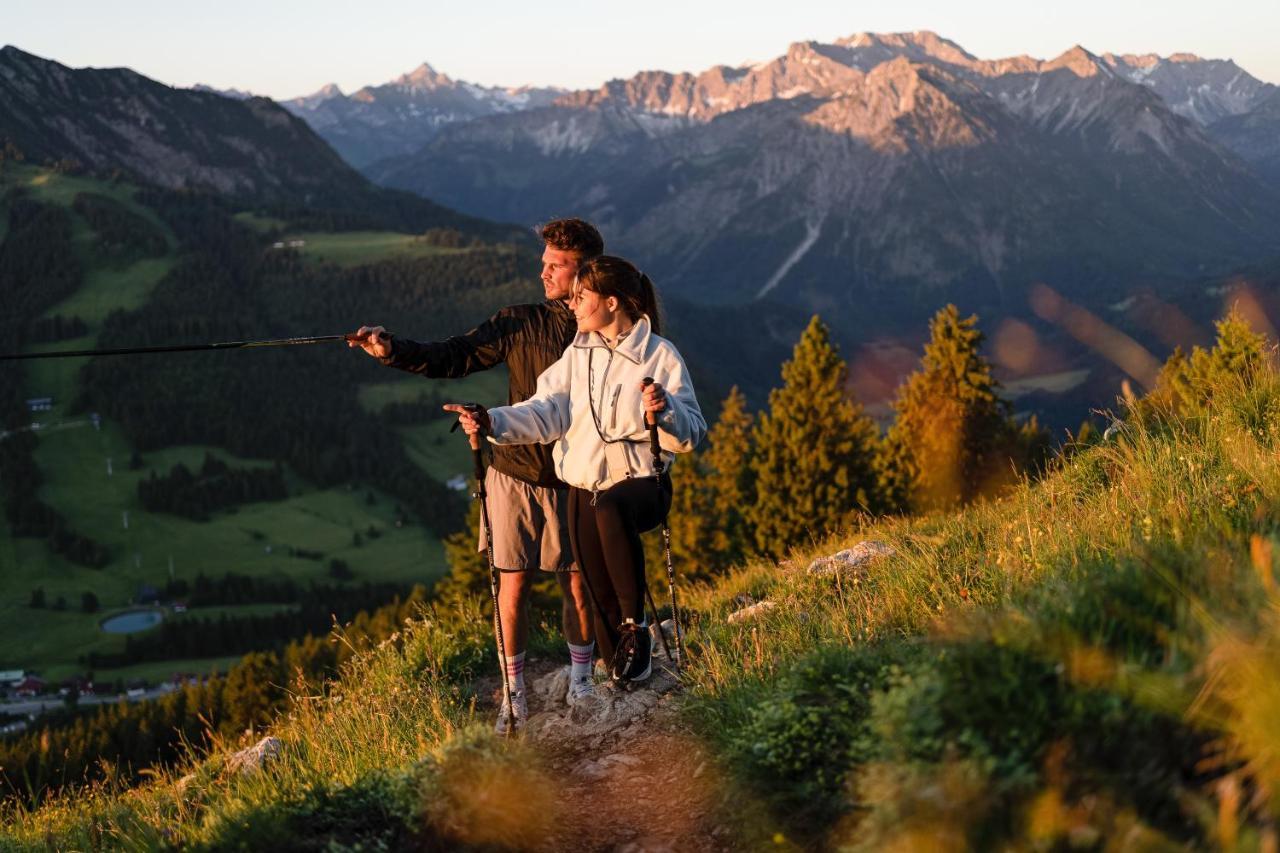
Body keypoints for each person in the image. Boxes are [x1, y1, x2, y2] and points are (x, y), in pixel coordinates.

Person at [349, 218, 603, 733]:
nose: (544, 272)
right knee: (513, 588)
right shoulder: (518, 321)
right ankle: (514, 693)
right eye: (544, 262)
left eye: (556, 265)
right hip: (512, 472)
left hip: (577, 474)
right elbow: (458, 353)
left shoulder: (602, 327)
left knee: (578, 586)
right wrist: (394, 350)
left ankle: (580, 681)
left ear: (585, 273)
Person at [447, 256, 705, 685]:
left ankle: (636, 628)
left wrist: (668, 410)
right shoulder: (577, 354)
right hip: (585, 486)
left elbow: (692, 432)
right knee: (595, 587)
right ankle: (620, 668)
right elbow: (545, 411)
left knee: (610, 512)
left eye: (582, 296)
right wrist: (494, 421)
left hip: (642, 483)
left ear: (611, 301)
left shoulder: (659, 355)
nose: (573, 303)